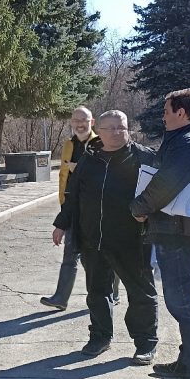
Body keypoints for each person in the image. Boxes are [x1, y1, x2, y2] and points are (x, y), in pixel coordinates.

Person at [131, 89, 190, 379]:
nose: (163, 116)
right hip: (179, 230)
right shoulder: (185, 138)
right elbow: (162, 167)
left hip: (180, 232)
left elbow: (165, 184)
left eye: (167, 111)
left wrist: (139, 207)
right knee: (183, 300)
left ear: (181, 113)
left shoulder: (188, 143)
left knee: (184, 302)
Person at [53, 110, 159, 363]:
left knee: (140, 293)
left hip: (132, 241)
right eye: (109, 128)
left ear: (128, 129)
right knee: (97, 292)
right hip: (93, 240)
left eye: (121, 127)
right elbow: (74, 195)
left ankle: (146, 343)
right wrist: (61, 224)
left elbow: (161, 194)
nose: (115, 132)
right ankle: (100, 337)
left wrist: (148, 213)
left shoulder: (144, 158)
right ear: (99, 131)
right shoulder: (89, 159)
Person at [42, 106, 120, 310]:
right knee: (70, 255)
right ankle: (60, 298)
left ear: (91, 122)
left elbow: (107, 173)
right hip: (71, 207)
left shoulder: (101, 143)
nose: (79, 124)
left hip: (95, 211)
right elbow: (64, 177)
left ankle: (112, 293)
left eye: (83, 120)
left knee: (100, 256)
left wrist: (80, 169)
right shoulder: (69, 144)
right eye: (75, 120)